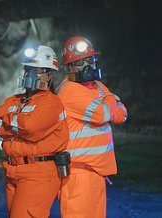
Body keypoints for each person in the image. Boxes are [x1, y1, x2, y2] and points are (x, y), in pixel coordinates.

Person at [0, 45, 69, 217]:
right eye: (28, 69)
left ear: (49, 75)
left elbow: (31, 128)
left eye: (37, 71)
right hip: (12, 169)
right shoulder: (14, 100)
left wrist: (9, 121)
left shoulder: (51, 103)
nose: (30, 74)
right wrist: (18, 127)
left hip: (38, 174)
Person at [55, 36, 128, 218]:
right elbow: (104, 113)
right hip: (78, 174)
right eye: (80, 62)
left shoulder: (96, 86)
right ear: (69, 66)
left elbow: (122, 114)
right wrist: (111, 99)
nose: (87, 66)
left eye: (90, 60)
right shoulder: (69, 90)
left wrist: (108, 105)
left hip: (96, 173)